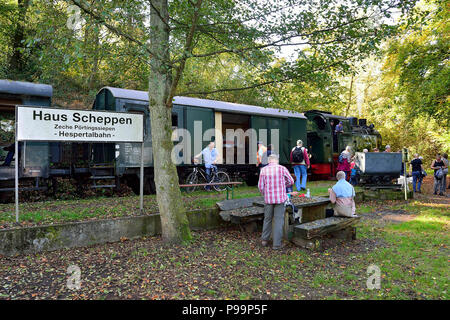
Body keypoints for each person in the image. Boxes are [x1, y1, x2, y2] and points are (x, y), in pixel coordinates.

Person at [258, 153, 294, 250]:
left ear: (269, 161)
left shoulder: (263, 170)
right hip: (280, 198)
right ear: (276, 160)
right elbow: (291, 181)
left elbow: (260, 186)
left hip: (268, 199)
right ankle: (276, 244)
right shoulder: (282, 168)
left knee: (267, 219)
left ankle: (264, 240)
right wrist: (283, 185)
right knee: (278, 220)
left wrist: (265, 193)